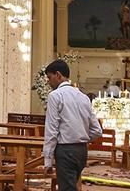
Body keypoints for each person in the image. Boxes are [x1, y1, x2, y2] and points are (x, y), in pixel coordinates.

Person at [43, 60, 102, 191]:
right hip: (81, 151)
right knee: (71, 186)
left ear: (58, 75)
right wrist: (82, 138)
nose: (48, 81)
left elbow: (51, 130)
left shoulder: (55, 96)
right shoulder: (83, 97)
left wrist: (47, 160)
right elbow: (97, 130)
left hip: (65, 150)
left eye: (49, 77)